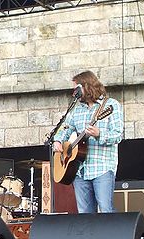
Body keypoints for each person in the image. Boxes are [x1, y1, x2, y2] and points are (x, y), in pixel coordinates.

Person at [53, 70, 124, 213]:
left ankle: (110, 236)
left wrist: (99, 134)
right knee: (85, 214)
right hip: (79, 170)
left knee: (106, 210)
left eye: (77, 88)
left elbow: (118, 135)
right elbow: (64, 128)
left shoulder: (111, 105)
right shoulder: (76, 109)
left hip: (102, 167)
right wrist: (58, 140)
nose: (74, 92)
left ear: (87, 86)